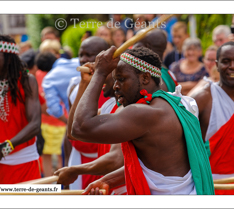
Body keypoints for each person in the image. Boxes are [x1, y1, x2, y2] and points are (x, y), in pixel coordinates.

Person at [70, 46, 214, 195]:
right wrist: (108, 181)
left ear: (145, 78)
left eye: (121, 79)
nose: (115, 86)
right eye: (114, 80)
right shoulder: (176, 103)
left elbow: (80, 128)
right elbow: (156, 167)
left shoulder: (144, 114)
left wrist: (99, 73)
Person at [0, 34, 41, 184]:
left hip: (25, 161)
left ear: (9, 59)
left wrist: (6, 147)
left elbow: (35, 124)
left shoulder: (27, 81)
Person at [55, 62, 126, 194]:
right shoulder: (109, 106)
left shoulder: (130, 110)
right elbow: (74, 131)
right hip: (111, 188)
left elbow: (116, 159)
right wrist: (84, 83)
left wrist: (75, 170)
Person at [191, 42, 234, 195]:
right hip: (213, 186)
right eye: (226, 61)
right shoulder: (202, 98)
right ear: (217, 64)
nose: (233, 66)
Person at [63, 36, 111, 190]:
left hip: (108, 161)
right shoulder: (74, 87)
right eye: (81, 54)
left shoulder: (115, 88)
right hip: (79, 159)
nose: (83, 59)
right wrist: (67, 164)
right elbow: (70, 131)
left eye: (89, 55)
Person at [35, 52, 66, 177]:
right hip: (48, 121)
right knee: (47, 155)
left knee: (62, 156)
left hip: (61, 121)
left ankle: (62, 184)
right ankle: (51, 188)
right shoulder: (40, 74)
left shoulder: (56, 73)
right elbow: (40, 96)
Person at [133, 28, 178, 92]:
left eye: (136, 43)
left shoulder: (146, 79)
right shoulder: (170, 75)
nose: (132, 47)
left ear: (146, 47)